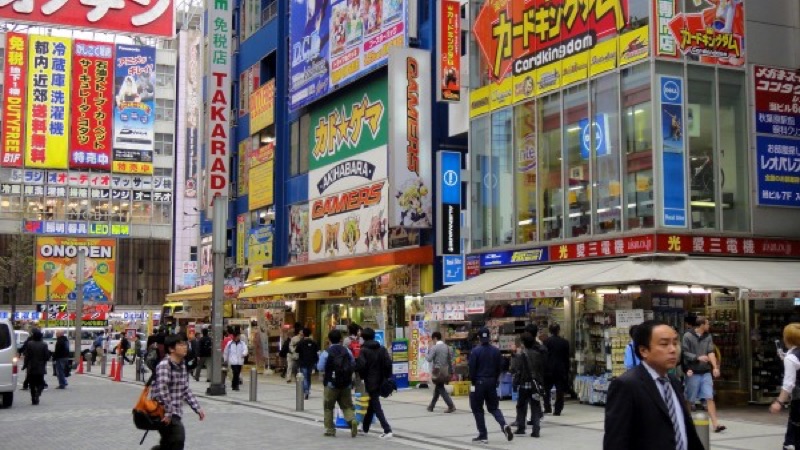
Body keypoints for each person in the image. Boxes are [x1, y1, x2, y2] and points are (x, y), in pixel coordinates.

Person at [603, 320, 704, 450]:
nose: (673, 349)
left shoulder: (673, 381)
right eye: (664, 344)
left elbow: (685, 431)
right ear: (644, 350)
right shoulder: (626, 386)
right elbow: (616, 442)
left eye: (675, 342)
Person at [150, 333, 205, 450]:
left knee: (169, 443)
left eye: (185, 344)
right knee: (178, 439)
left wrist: (197, 408)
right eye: (180, 344)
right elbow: (162, 390)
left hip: (175, 412)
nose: (185, 346)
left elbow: (185, 389)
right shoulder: (165, 365)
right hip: (163, 412)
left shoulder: (182, 365)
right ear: (171, 349)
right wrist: (168, 412)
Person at [468, 327, 514, 444]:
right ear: (489, 337)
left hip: (478, 383)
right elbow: (500, 367)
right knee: (493, 407)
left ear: (478, 337)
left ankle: (483, 435)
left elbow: (472, 370)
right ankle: (503, 424)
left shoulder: (475, 351)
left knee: (477, 409)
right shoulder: (496, 351)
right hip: (492, 382)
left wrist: (472, 383)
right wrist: (496, 379)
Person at [682, 316, 725, 432]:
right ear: (701, 325)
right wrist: (697, 358)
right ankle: (687, 423)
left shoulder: (708, 336)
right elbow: (684, 352)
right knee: (689, 399)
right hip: (693, 372)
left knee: (709, 397)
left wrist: (715, 367)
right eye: (707, 324)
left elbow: (711, 352)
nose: (709, 326)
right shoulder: (687, 336)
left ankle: (715, 424)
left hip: (705, 372)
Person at [317, 329, 359, 438]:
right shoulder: (347, 351)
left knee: (328, 407)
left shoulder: (326, 352)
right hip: (346, 383)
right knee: (347, 406)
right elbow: (353, 363)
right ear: (340, 339)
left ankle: (330, 430)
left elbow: (320, 367)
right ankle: (352, 420)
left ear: (329, 340)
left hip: (331, 383)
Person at [356, 327, 393, 438]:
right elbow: (388, 364)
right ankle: (365, 428)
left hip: (370, 380)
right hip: (381, 379)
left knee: (376, 405)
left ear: (364, 338)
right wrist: (386, 376)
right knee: (372, 404)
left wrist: (362, 376)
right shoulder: (381, 348)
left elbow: (361, 366)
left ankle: (387, 429)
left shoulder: (363, 350)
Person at [770, 323, 800, 450]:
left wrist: (779, 402)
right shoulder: (791, 356)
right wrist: (785, 358)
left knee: (793, 437)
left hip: (799, 402)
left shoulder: (791, 358)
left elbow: (789, 384)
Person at [512, 330, 547, 438]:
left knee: (521, 406)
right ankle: (536, 430)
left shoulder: (520, 356)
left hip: (524, 385)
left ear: (523, 343)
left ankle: (521, 428)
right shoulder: (538, 355)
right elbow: (541, 370)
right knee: (535, 407)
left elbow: (517, 370)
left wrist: (515, 383)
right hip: (535, 385)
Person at [543, 322, 570, 415]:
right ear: (559, 330)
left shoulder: (546, 342)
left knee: (546, 389)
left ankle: (547, 407)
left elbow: (544, 356)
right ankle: (557, 409)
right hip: (560, 369)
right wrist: (567, 370)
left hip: (548, 369)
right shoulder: (565, 342)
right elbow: (567, 358)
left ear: (550, 331)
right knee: (560, 390)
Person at [425, 331, 455, 413]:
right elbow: (451, 361)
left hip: (437, 371)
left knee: (440, 388)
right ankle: (431, 406)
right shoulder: (448, 348)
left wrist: (426, 353)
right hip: (446, 371)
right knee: (438, 387)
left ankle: (451, 405)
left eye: (433, 340)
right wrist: (452, 372)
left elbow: (429, 359)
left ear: (435, 338)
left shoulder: (434, 348)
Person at [23, 328, 50, 405]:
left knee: (32, 384)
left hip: (31, 366)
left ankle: (33, 399)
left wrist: (25, 365)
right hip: (41, 366)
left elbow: (27, 356)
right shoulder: (44, 344)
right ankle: (38, 393)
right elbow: (47, 356)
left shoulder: (30, 344)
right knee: (41, 382)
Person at [296, 327, 319, 399]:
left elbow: (297, 351)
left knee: (305, 377)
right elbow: (317, 351)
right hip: (311, 362)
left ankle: (306, 391)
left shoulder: (301, 342)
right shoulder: (314, 342)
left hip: (303, 362)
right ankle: (307, 390)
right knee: (308, 377)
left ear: (303, 334)